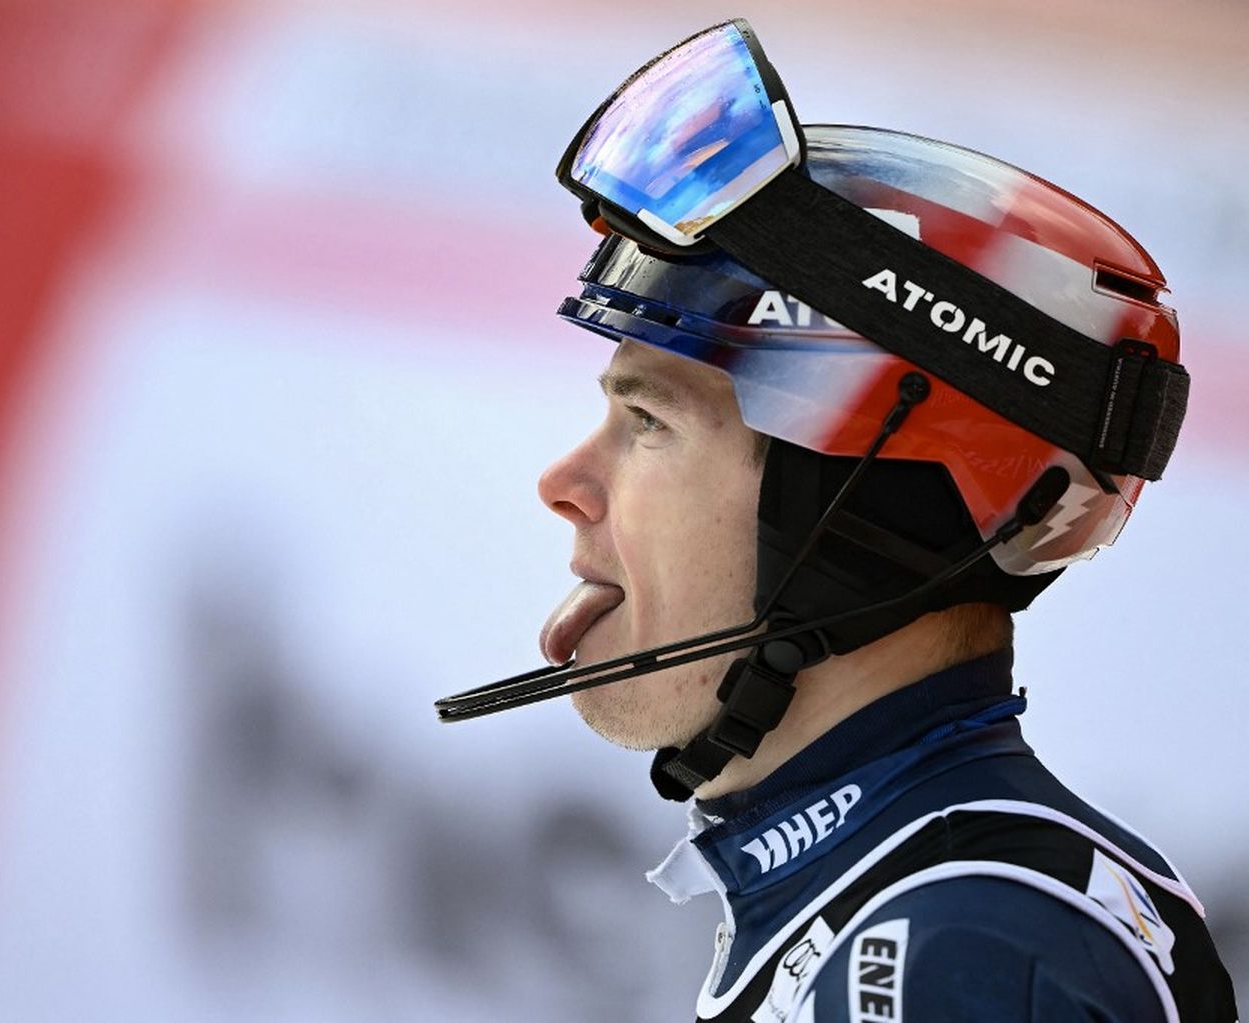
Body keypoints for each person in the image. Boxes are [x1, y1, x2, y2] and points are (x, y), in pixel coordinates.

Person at [435, 19, 1238, 1023]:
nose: (563, 482)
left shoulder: (954, 947)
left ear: (860, 502)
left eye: (649, 422)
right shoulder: (912, 900)